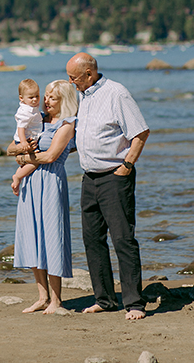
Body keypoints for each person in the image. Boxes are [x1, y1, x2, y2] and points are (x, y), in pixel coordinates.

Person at [66, 53, 150, 321]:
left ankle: (134, 303)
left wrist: (126, 165)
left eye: (74, 78)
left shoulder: (116, 93)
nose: (71, 82)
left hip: (115, 176)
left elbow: (140, 132)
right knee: (92, 240)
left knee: (123, 239)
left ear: (89, 74)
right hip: (89, 178)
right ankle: (104, 299)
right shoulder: (81, 96)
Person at [9, 79, 78, 314]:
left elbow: (50, 157)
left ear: (64, 100)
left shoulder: (67, 124)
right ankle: (42, 297)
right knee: (32, 236)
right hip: (30, 182)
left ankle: (57, 300)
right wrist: (20, 152)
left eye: (51, 97)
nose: (45, 100)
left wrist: (23, 158)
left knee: (52, 236)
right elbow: (10, 147)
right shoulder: (37, 118)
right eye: (45, 95)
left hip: (51, 181)